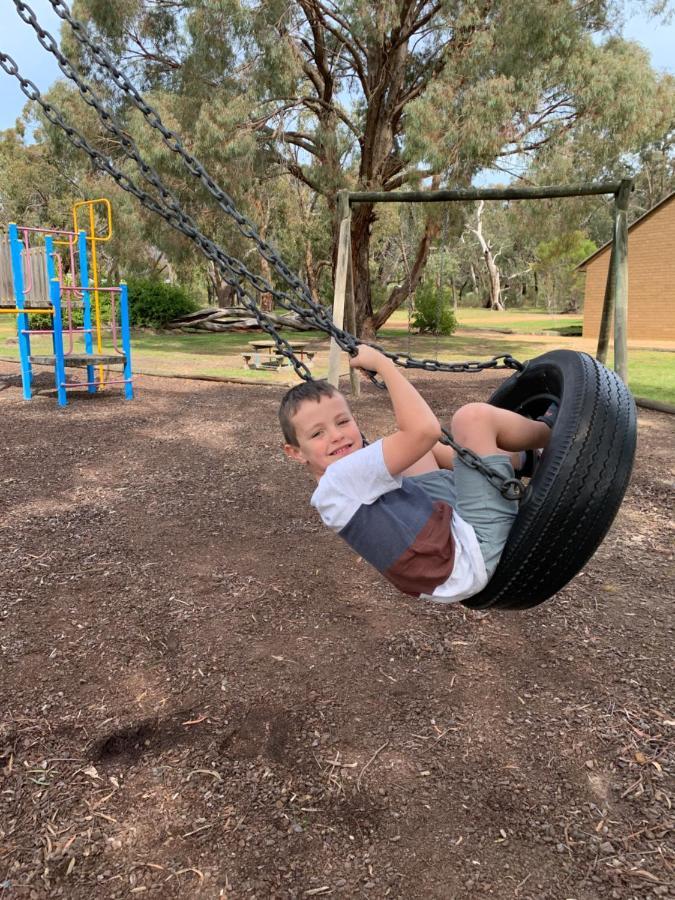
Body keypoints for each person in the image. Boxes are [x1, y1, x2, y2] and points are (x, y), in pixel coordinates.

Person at [279, 345, 556, 604]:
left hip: (442, 560)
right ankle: (552, 434)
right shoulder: (342, 477)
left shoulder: (331, 489)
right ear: (295, 452)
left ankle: (523, 460)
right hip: (469, 556)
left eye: (342, 421)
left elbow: (415, 445)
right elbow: (424, 429)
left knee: (415, 454)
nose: (337, 436)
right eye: (318, 433)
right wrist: (383, 365)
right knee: (472, 419)